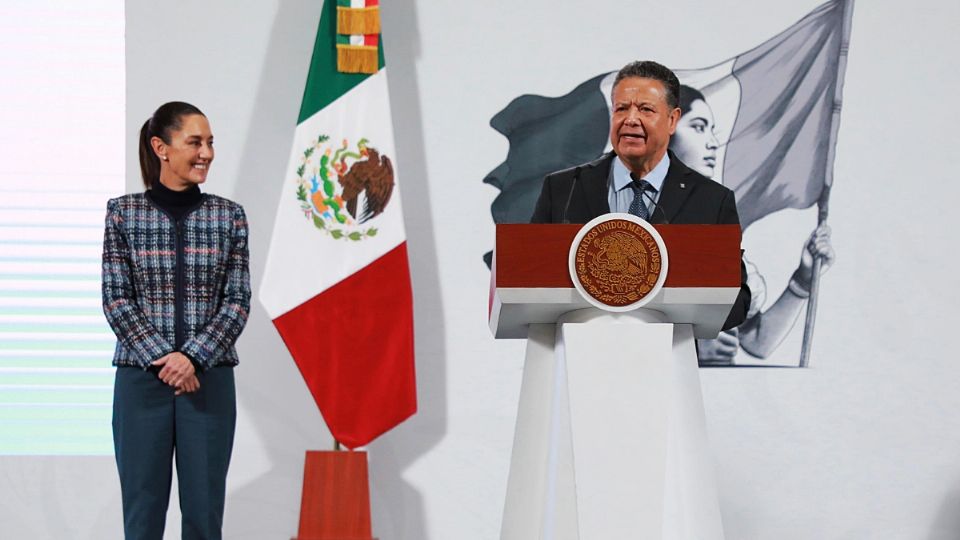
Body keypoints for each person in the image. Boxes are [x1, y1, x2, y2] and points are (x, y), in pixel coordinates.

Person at [101, 101, 251, 539]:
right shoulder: (123, 214)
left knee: (204, 517)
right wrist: (164, 359)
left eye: (210, 143)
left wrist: (192, 359)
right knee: (142, 517)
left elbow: (237, 301)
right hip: (141, 384)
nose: (206, 152)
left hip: (208, 383)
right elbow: (116, 299)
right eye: (195, 142)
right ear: (161, 148)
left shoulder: (229, 216)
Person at [531, 60, 751, 330]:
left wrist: (671, 294)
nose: (630, 119)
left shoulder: (712, 201)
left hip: (669, 360)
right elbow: (530, 281)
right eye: (621, 108)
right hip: (580, 358)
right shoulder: (564, 189)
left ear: (672, 120)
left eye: (646, 110)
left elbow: (737, 303)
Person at [668, 85, 836, 364]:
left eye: (712, 131)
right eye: (698, 127)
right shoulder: (623, 233)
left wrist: (804, 279)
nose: (712, 142)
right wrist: (691, 351)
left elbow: (757, 341)